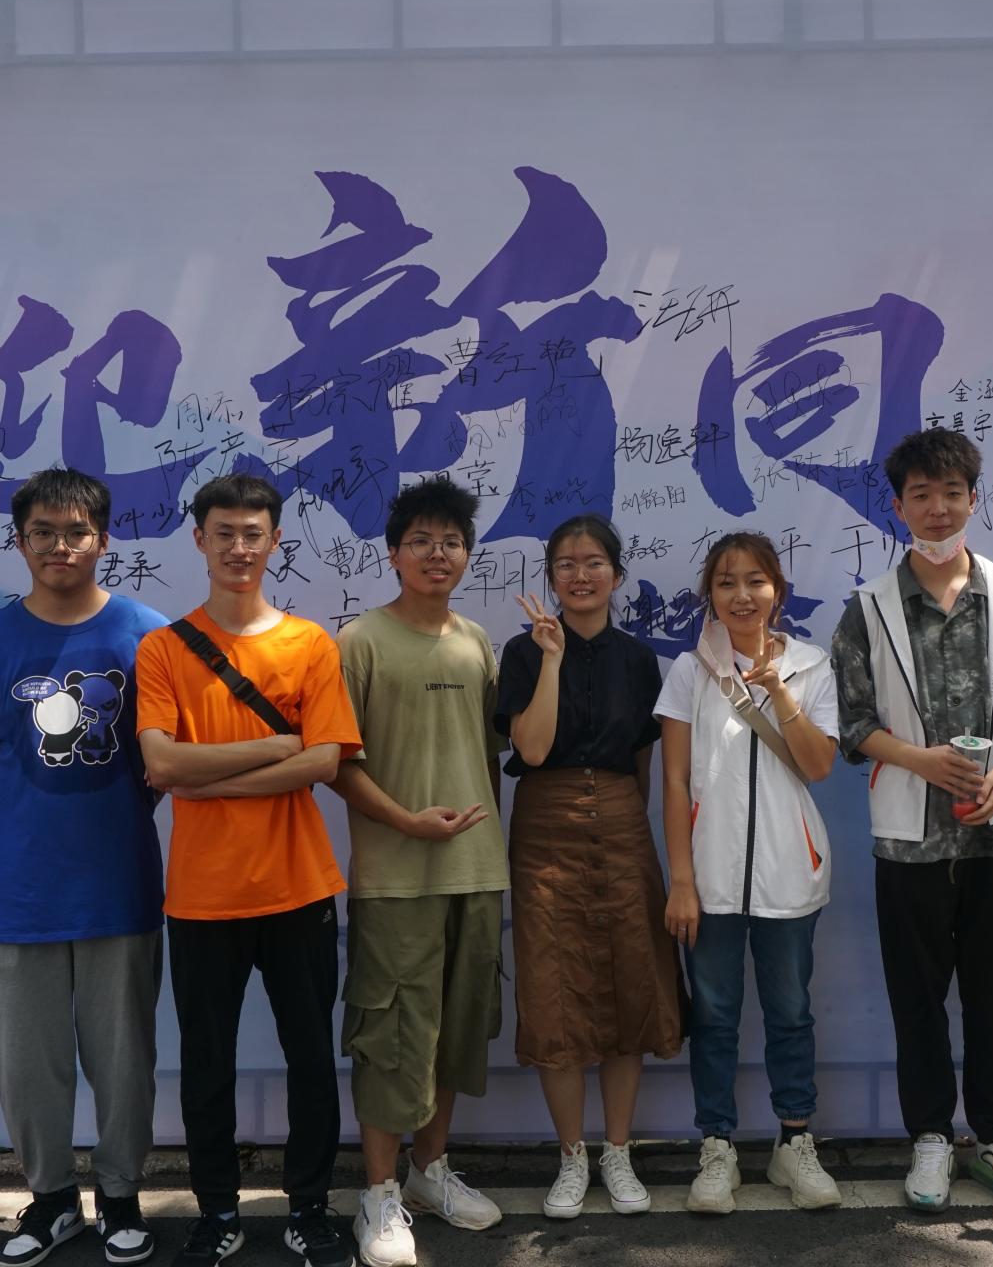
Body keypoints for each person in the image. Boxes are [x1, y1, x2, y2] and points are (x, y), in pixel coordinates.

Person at [828, 428, 993, 1215]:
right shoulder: (870, 607)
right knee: (917, 997)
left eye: (951, 493)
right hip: (910, 839)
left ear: (973, 498)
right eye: (921, 495)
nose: (937, 509)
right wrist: (920, 761)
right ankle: (930, 1135)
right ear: (898, 507)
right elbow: (851, 721)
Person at [134, 474, 362, 1267]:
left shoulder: (310, 645)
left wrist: (207, 776)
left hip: (299, 888)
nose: (239, 547)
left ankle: (310, 1208)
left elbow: (325, 761)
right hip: (201, 897)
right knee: (207, 1064)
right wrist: (273, 747)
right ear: (199, 539)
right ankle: (218, 1211)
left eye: (253, 533)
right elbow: (162, 764)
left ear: (274, 542)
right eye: (224, 532)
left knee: (311, 1058)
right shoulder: (163, 648)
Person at [0, 469, 168, 1266]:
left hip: (119, 882)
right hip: (17, 890)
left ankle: (121, 1195)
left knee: (124, 1059)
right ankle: (49, 1200)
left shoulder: (149, 635)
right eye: (43, 532)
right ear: (20, 541)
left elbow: (165, 762)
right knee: (26, 1062)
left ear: (103, 539)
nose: (60, 546)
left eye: (76, 532)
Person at [328, 479, 507, 1267]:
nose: (439, 554)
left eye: (452, 542)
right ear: (394, 553)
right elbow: (337, 763)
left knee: (457, 1030)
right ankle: (378, 1193)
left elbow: (489, 758)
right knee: (391, 1034)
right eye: (423, 541)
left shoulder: (476, 641)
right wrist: (404, 822)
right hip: (394, 875)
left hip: (476, 869)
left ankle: (430, 1172)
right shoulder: (360, 641)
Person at [496, 515, 683, 1220]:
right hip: (546, 827)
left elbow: (642, 760)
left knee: (632, 977)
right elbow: (532, 750)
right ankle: (572, 1155)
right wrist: (551, 660)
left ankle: (619, 1151)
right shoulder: (523, 652)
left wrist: (627, 819)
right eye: (567, 564)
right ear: (551, 577)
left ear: (616, 574)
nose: (580, 575)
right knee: (555, 989)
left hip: (623, 824)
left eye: (594, 562)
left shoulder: (638, 659)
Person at [656, 531, 844, 1214]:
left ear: (778, 592)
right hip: (708, 879)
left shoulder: (812, 667)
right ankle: (717, 1147)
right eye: (726, 582)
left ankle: (794, 1142)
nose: (742, 595)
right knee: (714, 1019)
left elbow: (819, 766)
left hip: (790, 873)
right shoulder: (690, 672)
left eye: (755, 581)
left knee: (790, 1013)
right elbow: (675, 782)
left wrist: (778, 693)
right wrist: (681, 880)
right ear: (709, 595)